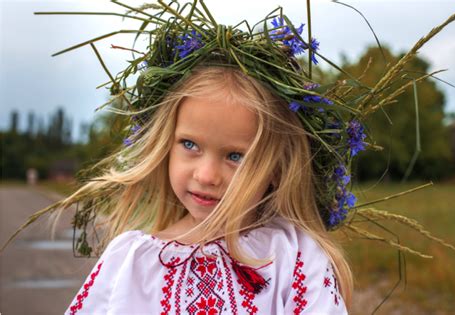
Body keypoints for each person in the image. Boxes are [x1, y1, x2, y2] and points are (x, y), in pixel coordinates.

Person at [66, 62, 352, 314]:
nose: (206, 176)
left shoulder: (294, 255)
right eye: (190, 145)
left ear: (276, 169)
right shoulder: (134, 261)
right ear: (167, 145)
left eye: (235, 156)